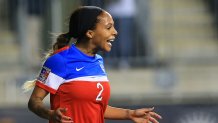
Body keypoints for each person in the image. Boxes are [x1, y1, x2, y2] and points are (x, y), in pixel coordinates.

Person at [23, 6, 162, 123]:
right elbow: (34, 101)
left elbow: (95, 106)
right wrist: (50, 114)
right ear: (90, 33)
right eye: (109, 27)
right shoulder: (60, 60)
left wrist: (129, 114)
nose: (115, 32)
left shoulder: (99, 61)